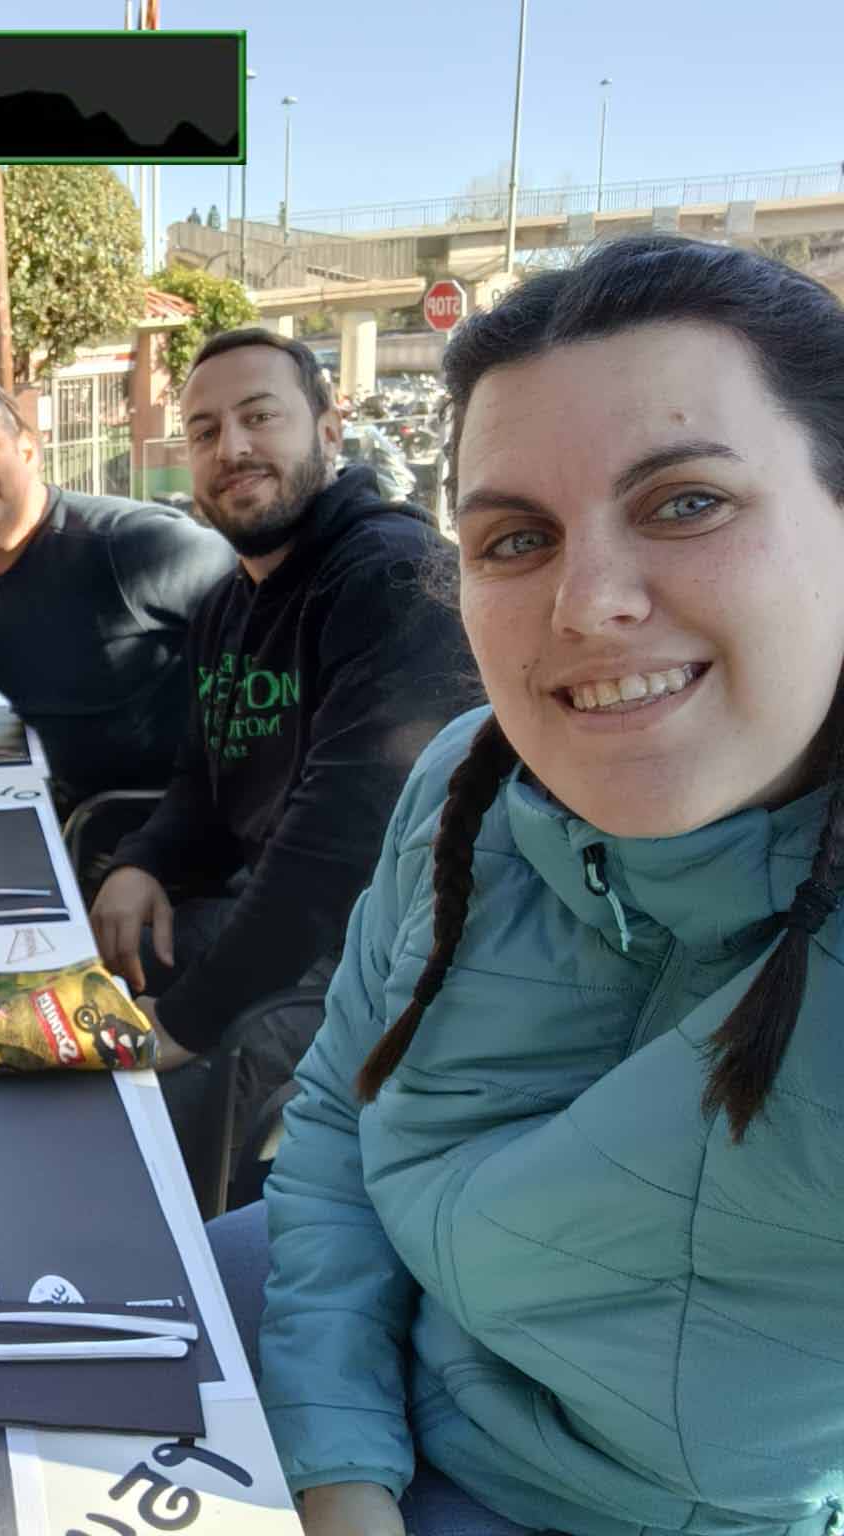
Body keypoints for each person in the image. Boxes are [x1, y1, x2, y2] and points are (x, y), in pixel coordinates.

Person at [226, 236, 844, 1536]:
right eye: (514, 538)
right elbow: (336, 1119)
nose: (586, 602)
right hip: (375, 1374)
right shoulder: (466, 780)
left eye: (685, 503)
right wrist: (342, 1474)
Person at [88, 328, 477, 1191]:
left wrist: (186, 1021)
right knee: (86, 974)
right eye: (205, 430)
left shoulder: (395, 580)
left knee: (147, 1109)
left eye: (260, 417)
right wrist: (143, 863)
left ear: (329, 430)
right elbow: (203, 783)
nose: (232, 448)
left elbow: (338, 849)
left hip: (395, 966)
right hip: (282, 925)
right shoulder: (229, 603)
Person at [0, 369, 236, 818]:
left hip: (164, 820)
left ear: (28, 451)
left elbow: (278, 631)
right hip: (47, 805)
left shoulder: (134, 544)